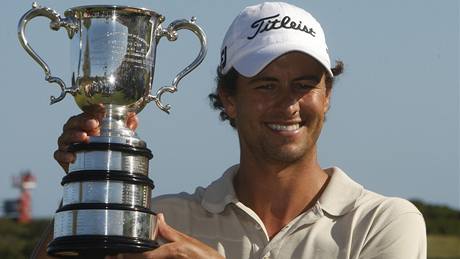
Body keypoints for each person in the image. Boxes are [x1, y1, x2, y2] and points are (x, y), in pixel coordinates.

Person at [41, 2, 427, 258]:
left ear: (326, 96)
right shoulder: (163, 218)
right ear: (228, 98)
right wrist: (85, 182)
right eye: (266, 85)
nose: (289, 104)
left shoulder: (384, 221)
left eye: (305, 84)